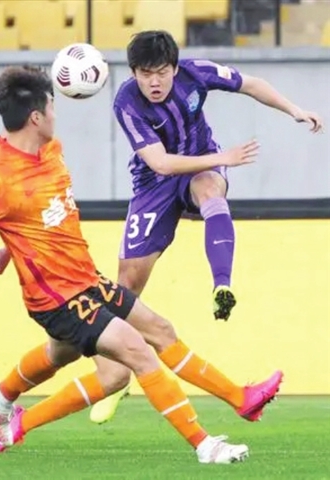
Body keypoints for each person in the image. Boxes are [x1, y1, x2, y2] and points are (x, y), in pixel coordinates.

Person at [0, 65, 282, 463]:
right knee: (138, 353)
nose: (55, 113)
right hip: (57, 299)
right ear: (36, 117)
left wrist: (11, 245)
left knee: (152, 332)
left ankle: (2, 399)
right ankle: (206, 445)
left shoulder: (49, 151)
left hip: (86, 278)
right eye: (52, 106)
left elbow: (36, 215)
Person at [87, 30, 323, 424]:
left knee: (211, 190)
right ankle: (117, 376)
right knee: (126, 286)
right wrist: (223, 156)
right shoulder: (126, 102)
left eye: (161, 72)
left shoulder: (196, 73)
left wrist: (293, 109)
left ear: (175, 67)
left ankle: (221, 286)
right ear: (133, 73)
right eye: (145, 74)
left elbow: (251, 83)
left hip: (202, 167)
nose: (154, 82)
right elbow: (161, 163)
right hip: (153, 185)